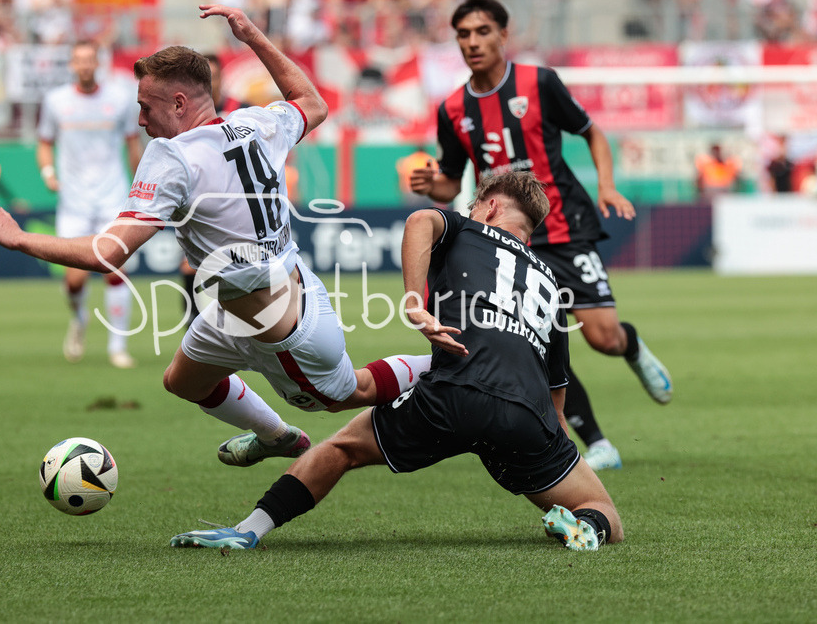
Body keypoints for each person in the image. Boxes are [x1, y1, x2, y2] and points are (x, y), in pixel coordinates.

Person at [0, 5, 430, 468]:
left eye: (145, 108)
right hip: (251, 301)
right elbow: (313, 103)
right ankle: (276, 437)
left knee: (354, 392)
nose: (141, 121)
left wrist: (20, 238)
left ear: (179, 104)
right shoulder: (257, 122)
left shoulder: (171, 155)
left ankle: (452, 365)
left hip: (285, 329)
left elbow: (106, 253)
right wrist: (253, 36)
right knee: (183, 381)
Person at [170, 172, 623, 552]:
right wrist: (557, 446)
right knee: (606, 514)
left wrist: (413, 301)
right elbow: (557, 388)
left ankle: (248, 532)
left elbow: (422, 218)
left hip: (455, 393)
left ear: (488, 207)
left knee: (340, 448)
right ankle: (584, 529)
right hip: (527, 413)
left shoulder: (467, 229)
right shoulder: (548, 281)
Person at [410, 0, 672, 472]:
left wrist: (608, 186)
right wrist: (435, 183)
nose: (473, 42)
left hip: (565, 224)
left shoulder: (540, 82)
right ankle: (596, 442)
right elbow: (450, 178)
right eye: (463, 34)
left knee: (602, 337)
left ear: (504, 35)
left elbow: (591, 131)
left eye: (482, 31)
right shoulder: (452, 109)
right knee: (536, 335)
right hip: (507, 240)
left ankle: (630, 346)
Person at [36, 40, 143, 369]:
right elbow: (44, 142)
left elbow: (132, 143)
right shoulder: (56, 101)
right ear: (71, 64)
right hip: (74, 202)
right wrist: (48, 172)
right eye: (78, 60)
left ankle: (117, 347)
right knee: (75, 280)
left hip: (112, 196)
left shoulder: (120, 98)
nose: (84, 65)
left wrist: (141, 186)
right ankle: (79, 320)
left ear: (98, 63)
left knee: (115, 270)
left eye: (89, 59)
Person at [180, 53, 254, 326]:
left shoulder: (241, 109)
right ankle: (193, 323)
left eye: (213, 76)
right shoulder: (187, 116)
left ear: (222, 78)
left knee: (242, 271)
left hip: (241, 204)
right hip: (202, 202)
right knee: (190, 266)